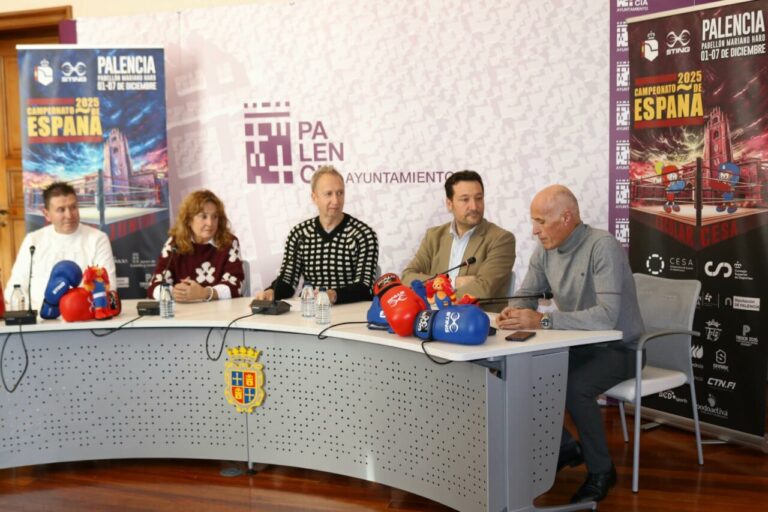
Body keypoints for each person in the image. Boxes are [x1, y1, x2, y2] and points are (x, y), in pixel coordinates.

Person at [497, 184, 644, 503]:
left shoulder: (602, 246)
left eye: (540, 221)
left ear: (566, 217)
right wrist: (517, 309)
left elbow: (606, 317)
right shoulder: (546, 249)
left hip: (623, 349)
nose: (534, 230)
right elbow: (527, 294)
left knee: (575, 386)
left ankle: (602, 471)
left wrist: (542, 321)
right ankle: (567, 447)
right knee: (527, 374)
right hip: (580, 345)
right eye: (532, 221)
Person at [253, 166, 378, 304]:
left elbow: (364, 287)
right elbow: (288, 280)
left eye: (340, 193)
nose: (336, 201)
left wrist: (332, 295)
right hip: (309, 311)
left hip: (350, 314)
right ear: (314, 197)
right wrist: (272, 292)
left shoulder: (364, 234)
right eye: (328, 194)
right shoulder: (299, 234)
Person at [401, 170, 515, 312]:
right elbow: (407, 277)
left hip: (478, 322)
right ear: (450, 204)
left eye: (479, 198)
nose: (474, 206)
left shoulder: (501, 239)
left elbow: (484, 288)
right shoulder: (434, 236)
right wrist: (452, 282)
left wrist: (440, 301)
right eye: (465, 199)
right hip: (432, 319)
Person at [4, 181, 116, 311]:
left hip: (84, 319)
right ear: (47, 214)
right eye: (61, 210)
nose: (69, 215)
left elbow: (109, 287)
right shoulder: (33, 240)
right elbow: (15, 287)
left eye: (73, 207)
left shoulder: (98, 239)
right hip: (39, 320)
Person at [148, 189, 244, 302]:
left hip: (220, 314)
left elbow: (236, 285)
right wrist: (176, 293)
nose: (210, 223)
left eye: (215, 217)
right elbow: (155, 285)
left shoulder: (229, 242)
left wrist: (204, 293)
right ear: (189, 219)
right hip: (183, 315)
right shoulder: (174, 244)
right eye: (203, 216)